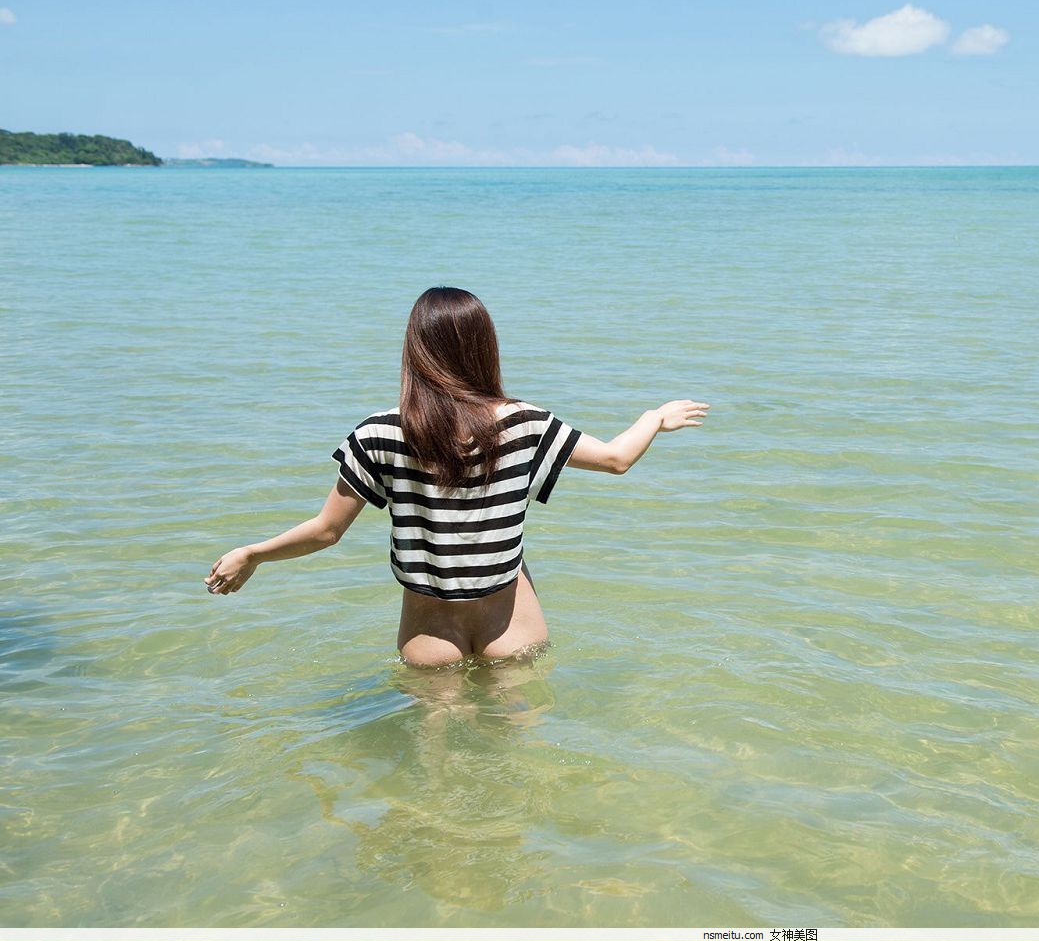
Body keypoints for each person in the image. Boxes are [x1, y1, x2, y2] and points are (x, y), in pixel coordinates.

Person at [203, 286, 709, 668]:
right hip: (512, 623)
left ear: (416, 350)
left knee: (435, 772)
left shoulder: (380, 433)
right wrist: (653, 417)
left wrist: (253, 554)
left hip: (429, 633)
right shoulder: (523, 423)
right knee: (520, 765)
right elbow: (617, 459)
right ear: (484, 348)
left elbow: (326, 532)